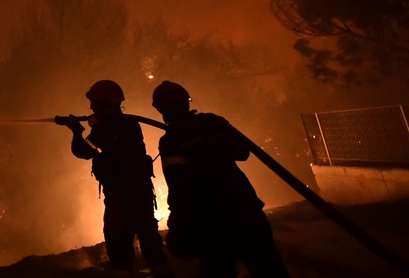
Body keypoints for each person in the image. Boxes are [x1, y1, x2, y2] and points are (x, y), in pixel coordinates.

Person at [151, 80, 291, 278]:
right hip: (246, 209)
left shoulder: (171, 140)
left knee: (218, 271)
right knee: (269, 269)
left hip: (211, 221)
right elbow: (243, 152)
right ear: (186, 102)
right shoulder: (213, 122)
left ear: (161, 109)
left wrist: (177, 224)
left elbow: (178, 184)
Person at [59, 79, 172, 278]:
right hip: (142, 195)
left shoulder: (105, 128)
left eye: (94, 103)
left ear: (102, 104)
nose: (91, 107)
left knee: (119, 246)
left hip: (119, 198)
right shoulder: (129, 124)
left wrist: (76, 130)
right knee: (151, 243)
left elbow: (83, 151)